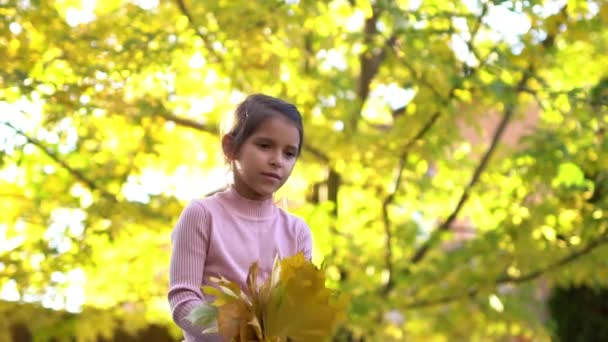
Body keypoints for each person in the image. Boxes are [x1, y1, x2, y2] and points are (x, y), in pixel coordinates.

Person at [168, 94, 313, 341]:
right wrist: (240, 334)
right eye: (264, 146)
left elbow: (300, 310)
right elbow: (183, 302)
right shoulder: (202, 215)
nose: (277, 160)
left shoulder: (297, 231)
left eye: (289, 153)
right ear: (230, 147)